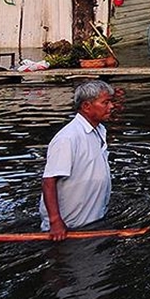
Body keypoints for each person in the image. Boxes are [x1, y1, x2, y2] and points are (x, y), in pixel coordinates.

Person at [40, 80, 117, 241]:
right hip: (68, 229)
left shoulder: (99, 130)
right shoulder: (68, 138)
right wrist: (55, 222)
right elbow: (49, 181)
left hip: (93, 221)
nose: (111, 107)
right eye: (105, 102)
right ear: (87, 106)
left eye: (110, 102)